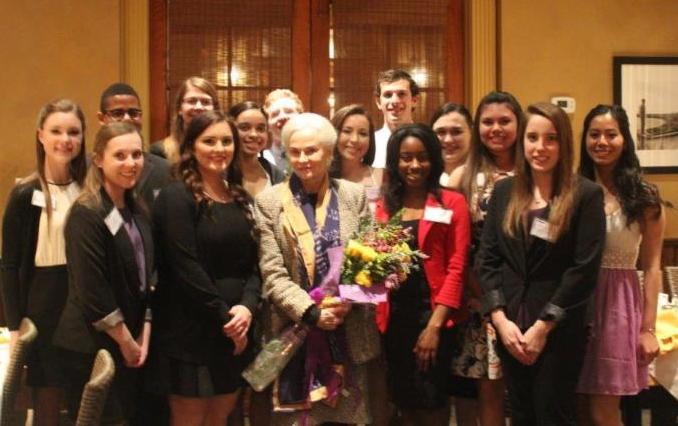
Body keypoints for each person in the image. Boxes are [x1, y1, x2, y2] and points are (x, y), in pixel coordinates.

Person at [478, 102, 606, 425]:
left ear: (564, 143)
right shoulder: (504, 191)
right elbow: (488, 258)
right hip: (510, 327)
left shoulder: (586, 195)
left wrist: (543, 326)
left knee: (553, 414)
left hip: (558, 329)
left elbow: (583, 269)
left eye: (551, 139)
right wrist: (500, 320)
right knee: (521, 413)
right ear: (522, 141)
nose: (540, 147)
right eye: (532, 138)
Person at [254, 113, 380, 425]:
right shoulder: (269, 202)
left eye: (311, 150)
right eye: (295, 152)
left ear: (329, 152)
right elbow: (272, 273)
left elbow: (370, 259)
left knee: (346, 418)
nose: (303, 159)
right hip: (293, 331)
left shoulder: (352, 196)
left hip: (347, 330)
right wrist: (311, 312)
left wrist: (347, 301)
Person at [152, 110, 261, 426]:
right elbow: (185, 267)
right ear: (191, 147)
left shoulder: (240, 197)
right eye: (209, 141)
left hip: (236, 327)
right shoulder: (175, 196)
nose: (219, 148)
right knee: (190, 418)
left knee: (220, 415)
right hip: (191, 329)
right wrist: (226, 319)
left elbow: (255, 265)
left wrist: (247, 307)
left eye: (226, 141)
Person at [53, 122, 153, 424]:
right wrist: (126, 341)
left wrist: (143, 332)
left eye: (136, 154)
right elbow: (92, 289)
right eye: (120, 155)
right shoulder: (87, 213)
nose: (130, 163)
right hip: (91, 347)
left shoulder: (137, 208)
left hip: (130, 341)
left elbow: (149, 275)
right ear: (98, 159)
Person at [374, 123, 470, 426]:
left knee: (432, 405)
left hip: (433, 317)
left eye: (422, 157)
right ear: (395, 161)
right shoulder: (385, 206)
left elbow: (457, 267)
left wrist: (434, 327)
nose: (414, 165)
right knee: (404, 404)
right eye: (406, 157)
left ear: (434, 159)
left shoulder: (452, 202)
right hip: (394, 320)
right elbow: (376, 269)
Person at [576, 105, 665, 426]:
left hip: (617, 305)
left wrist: (647, 329)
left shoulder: (644, 196)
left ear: (624, 139)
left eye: (611, 134)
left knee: (603, 411)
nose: (602, 142)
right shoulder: (573, 189)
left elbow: (652, 266)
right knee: (576, 408)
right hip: (575, 301)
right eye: (594, 134)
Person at [1, 99, 86, 426]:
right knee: (47, 403)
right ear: (41, 135)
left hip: (81, 305)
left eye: (73, 132)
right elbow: (9, 266)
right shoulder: (25, 193)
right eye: (56, 131)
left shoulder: (90, 189)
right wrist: (14, 327)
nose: (65, 139)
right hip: (42, 308)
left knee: (82, 402)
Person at [447, 91, 523, 426]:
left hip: (526, 296)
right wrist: (478, 292)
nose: (496, 129)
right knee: (489, 392)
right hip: (481, 296)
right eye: (488, 122)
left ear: (519, 124)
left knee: (526, 391)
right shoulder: (463, 176)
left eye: (505, 121)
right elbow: (457, 245)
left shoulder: (534, 170)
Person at [98, 82, 172, 209]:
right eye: (117, 113)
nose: (127, 118)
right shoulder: (86, 168)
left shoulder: (165, 170)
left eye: (133, 113)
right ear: (101, 118)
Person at [150, 76, 220, 164]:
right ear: (179, 108)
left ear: (215, 109)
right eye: (192, 101)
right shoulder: (159, 151)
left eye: (205, 102)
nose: (199, 107)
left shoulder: (226, 149)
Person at [329, 104, 383, 212]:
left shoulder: (382, 176)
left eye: (363, 134)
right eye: (347, 131)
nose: (354, 139)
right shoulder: (321, 177)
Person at [229, 101, 285, 196]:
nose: (254, 134)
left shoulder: (275, 174)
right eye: (244, 128)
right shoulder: (219, 174)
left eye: (260, 129)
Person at [372, 69, 419, 169]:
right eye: (388, 95)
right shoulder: (368, 144)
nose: (394, 101)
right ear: (378, 102)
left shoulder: (428, 141)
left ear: (414, 100)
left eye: (401, 94)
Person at [430, 102, 472, 188]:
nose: (448, 140)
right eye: (441, 132)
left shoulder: (486, 176)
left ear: (472, 133)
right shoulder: (423, 178)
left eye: (456, 132)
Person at [261, 88, 304, 171]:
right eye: (275, 114)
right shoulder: (261, 161)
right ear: (267, 125)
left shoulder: (315, 156)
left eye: (289, 111)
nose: (282, 117)